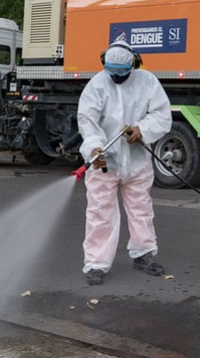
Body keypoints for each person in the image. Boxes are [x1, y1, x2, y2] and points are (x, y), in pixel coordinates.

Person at [76, 40, 172, 285]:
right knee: (100, 212)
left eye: (122, 73)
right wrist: (94, 148)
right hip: (105, 162)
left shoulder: (147, 81)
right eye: (113, 73)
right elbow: (87, 121)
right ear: (104, 65)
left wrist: (142, 129)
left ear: (134, 65)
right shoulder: (97, 85)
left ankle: (143, 253)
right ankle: (96, 263)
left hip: (137, 160)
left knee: (141, 209)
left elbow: (162, 115)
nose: (117, 78)